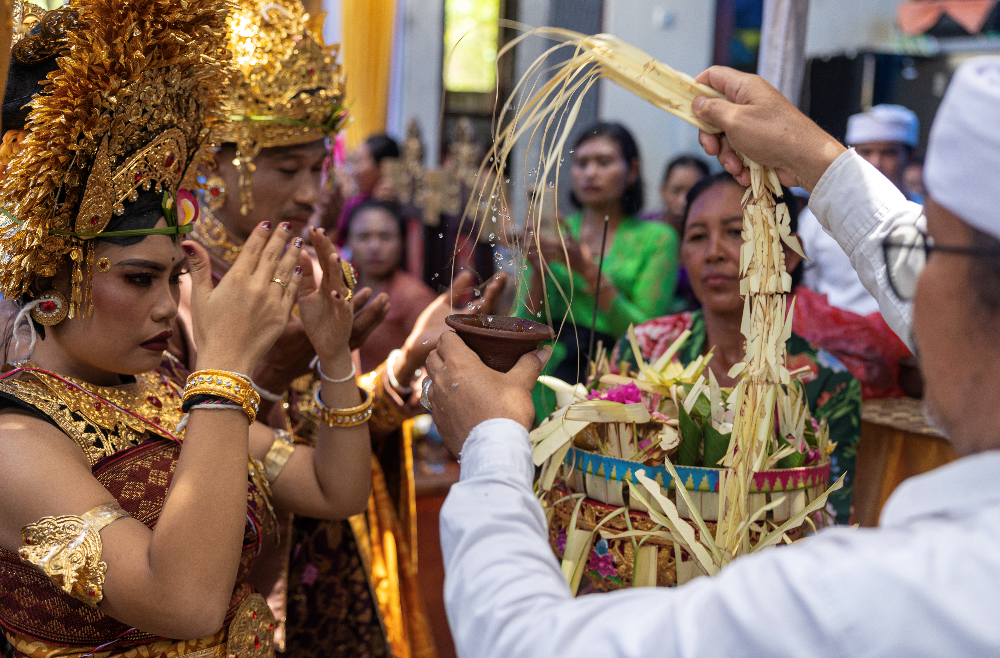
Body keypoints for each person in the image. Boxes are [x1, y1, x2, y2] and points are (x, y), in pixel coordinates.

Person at [423, 56, 1000, 656]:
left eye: (925, 247)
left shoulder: (875, 598)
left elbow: (529, 644)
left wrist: (489, 440)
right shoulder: (652, 345)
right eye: (698, 235)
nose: (717, 253)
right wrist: (812, 154)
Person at [0, 3, 370, 657]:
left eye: (175, 278)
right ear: (55, 282)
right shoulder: (15, 441)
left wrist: (336, 355)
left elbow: (333, 490)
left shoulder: (163, 395)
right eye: (140, 279)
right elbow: (184, 602)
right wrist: (225, 368)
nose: (170, 306)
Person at [612, 172, 862, 522]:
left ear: (788, 255)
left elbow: (826, 519)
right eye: (697, 236)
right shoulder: (644, 350)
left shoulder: (824, 385)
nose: (713, 253)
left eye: (736, 232)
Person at [516, 122, 678, 417]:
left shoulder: (657, 238)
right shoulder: (559, 232)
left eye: (604, 162)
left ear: (632, 170)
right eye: (581, 163)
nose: (590, 173)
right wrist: (538, 269)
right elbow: (524, 322)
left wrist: (587, 270)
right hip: (547, 377)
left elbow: (647, 334)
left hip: (616, 383)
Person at [797, 104, 920, 316]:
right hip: (831, 344)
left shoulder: (926, 217)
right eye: (865, 152)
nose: (876, 162)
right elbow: (805, 283)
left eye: (888, 153)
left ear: (909, 157)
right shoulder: (817, 217)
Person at [346, 200, 436, 373]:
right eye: (364, 237)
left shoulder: (414, 296)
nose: (374, 247)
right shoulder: (341, 288)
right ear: (349, 241)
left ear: (402, 241)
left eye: (385, 237)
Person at [336, 134, 401, 246]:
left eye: (359, 161)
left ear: (383, 166)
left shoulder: (397, 202)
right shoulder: (355, 201)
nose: (354, 170)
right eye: (354, 161)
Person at [648, 155, 710, 236]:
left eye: (693, 192)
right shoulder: (641, 230)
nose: (683, 202)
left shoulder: (715, 233)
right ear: (663, 191)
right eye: (676, 191)